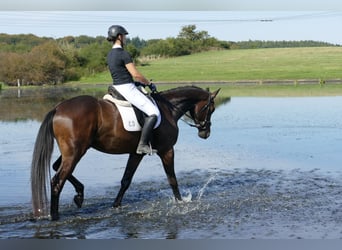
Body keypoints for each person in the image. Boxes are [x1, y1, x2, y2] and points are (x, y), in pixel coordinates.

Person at [106, 25, 159, 155]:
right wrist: (149, 83)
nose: (126, 39)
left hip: (117, 86)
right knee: (153, 112)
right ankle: (143, 145)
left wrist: (135, 82)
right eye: (124, 36)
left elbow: (120, 73)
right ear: (119, 36)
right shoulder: (123, 54)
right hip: (127, 88)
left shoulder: (110, 54)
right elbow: (135, 74)